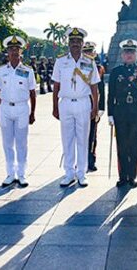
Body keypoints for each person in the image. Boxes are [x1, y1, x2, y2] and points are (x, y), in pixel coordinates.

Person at [52, 27, 100, 187]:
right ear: (68, 43)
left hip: (83, 103)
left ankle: (81, 173)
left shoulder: (89, 61)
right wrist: (55, 107)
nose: (75, 44)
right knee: (67, 139)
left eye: (78, 41)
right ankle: (69, 173)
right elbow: (56, 85)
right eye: (72, 41)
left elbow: (94, 87)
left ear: (82, 43)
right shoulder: (60, 61)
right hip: (65, 103)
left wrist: (95, 107)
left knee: (82, 138)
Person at [107, 39, 137, 187]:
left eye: (132, 52)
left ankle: (132, 176)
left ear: (136, 54)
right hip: (120, 112)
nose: (129, 55)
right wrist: (110, 114)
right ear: (122, 55)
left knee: (134, 146)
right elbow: (110, 95)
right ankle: (123, 176)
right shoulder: (115, 72)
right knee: (122, 146)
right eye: (126, 52)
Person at [0, 35, 37, 188]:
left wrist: (32, 113)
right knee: (7, 143)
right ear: (7, 52)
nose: (13, 52)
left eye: (16, 49)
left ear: (21, 52)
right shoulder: (1, 71)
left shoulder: (27, 71)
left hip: (21, 108)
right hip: (5, 108)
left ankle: (22, 174)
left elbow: (32, 93)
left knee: (21, 143)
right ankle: (10, 174)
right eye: (11, 49)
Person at [82, 41, 105, 172]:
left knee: (92, 135)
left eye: (90, 51)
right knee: (79, 135)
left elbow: (101, 89)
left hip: (93, 105)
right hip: (81, 104)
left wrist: (100, 108)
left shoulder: (99, 68)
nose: (88, 54)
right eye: (85, 51)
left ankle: (91, 160)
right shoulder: (78, 66)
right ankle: (80, 160)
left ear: (94, 53)